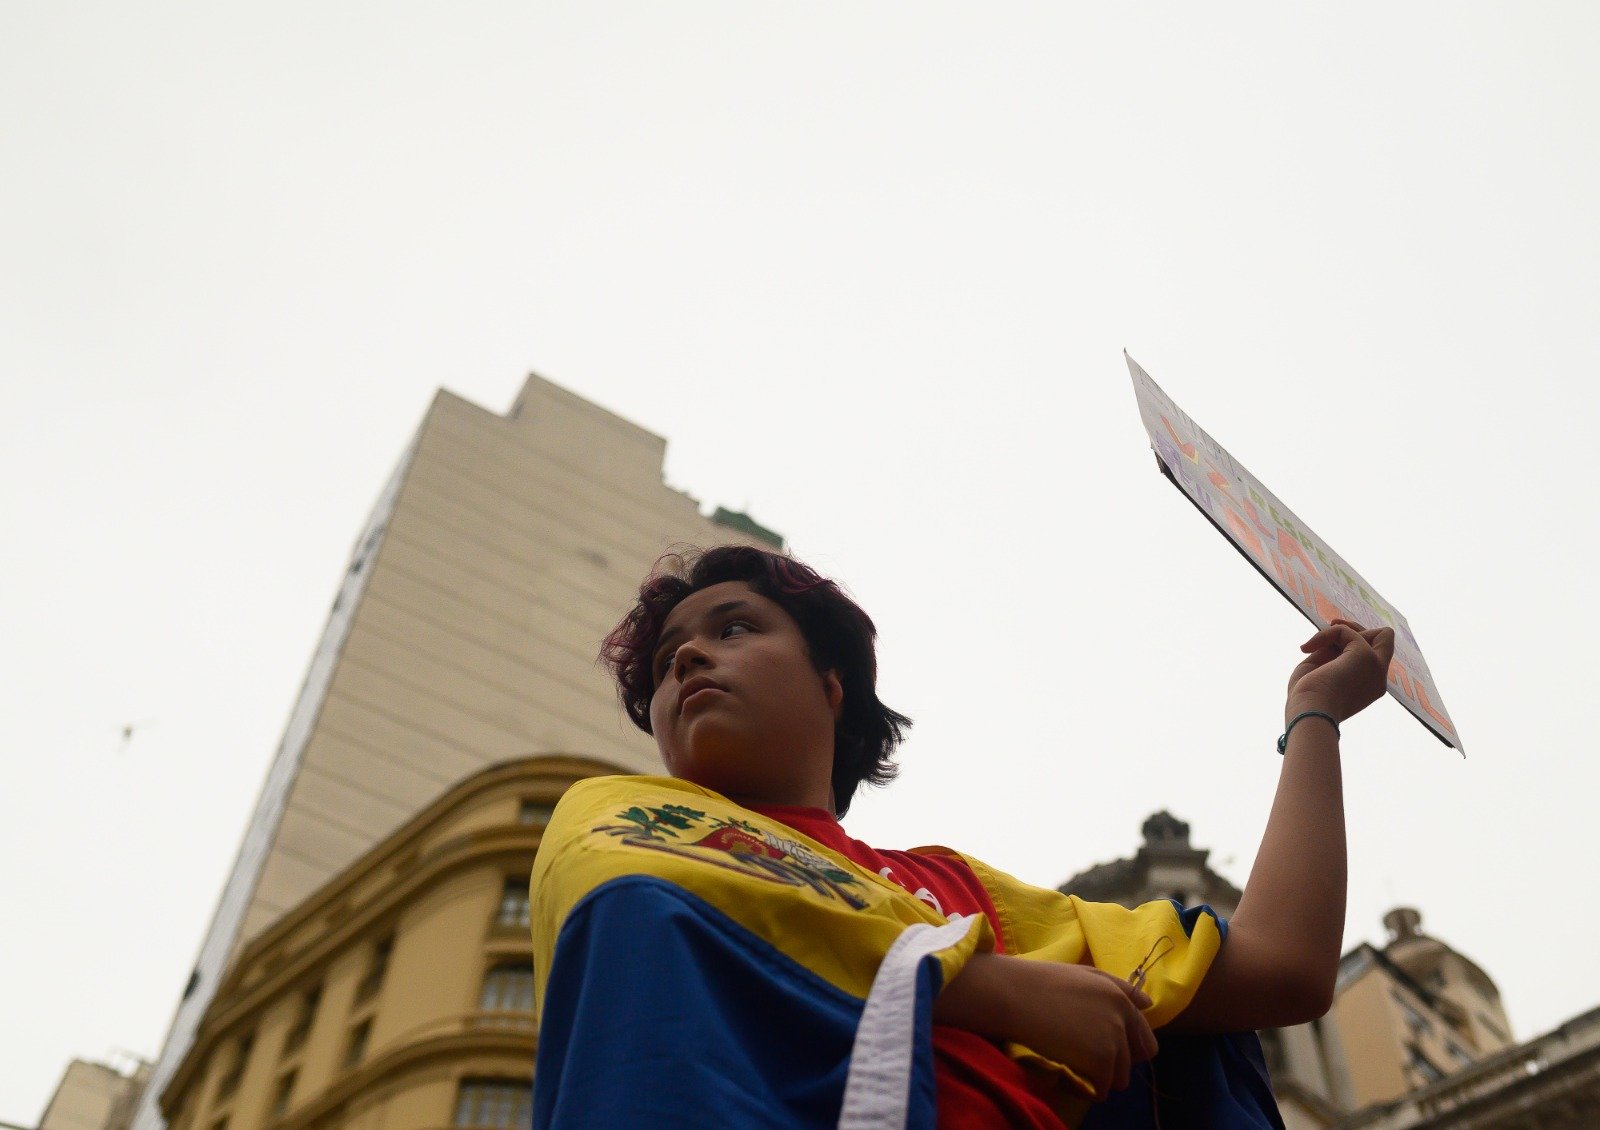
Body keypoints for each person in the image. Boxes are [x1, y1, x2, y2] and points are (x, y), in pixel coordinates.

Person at [529, 545, 1394, 1128]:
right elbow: (647, 920)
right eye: (668, 654)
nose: (685, 659)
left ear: (834, 686)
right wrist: (983, 993)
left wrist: (1313, 716)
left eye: (734, 628)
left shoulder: (959, 894)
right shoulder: (614, 817)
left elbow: (1284, 968)